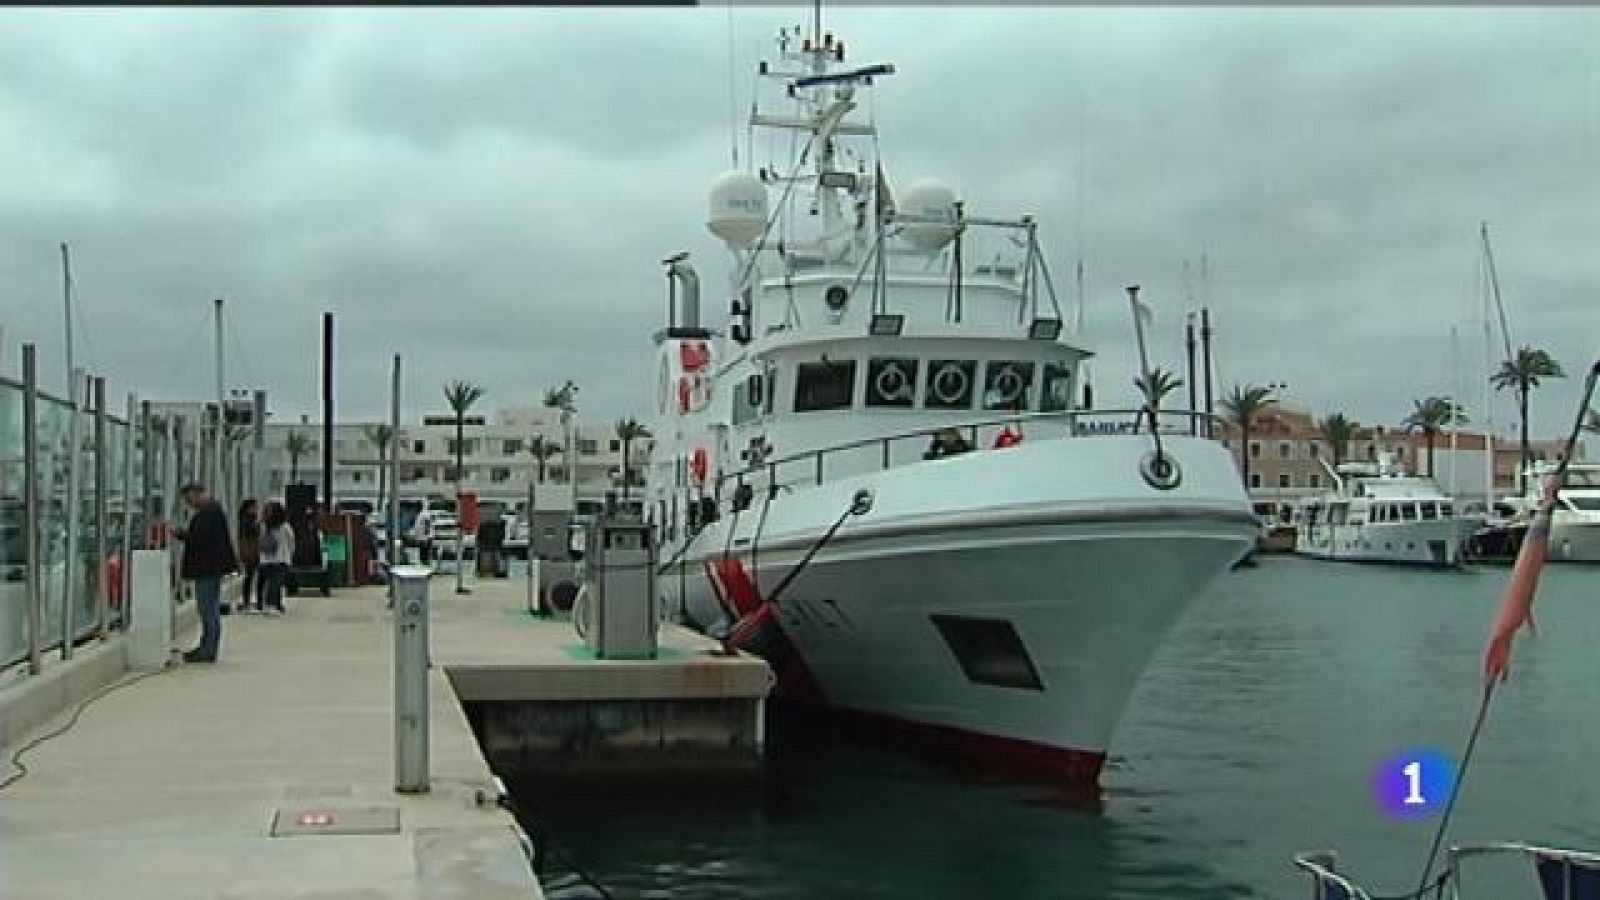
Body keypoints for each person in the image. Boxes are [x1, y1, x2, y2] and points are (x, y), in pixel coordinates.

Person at [173, 483, 238, 663]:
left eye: (189, 499)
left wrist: (182, 535)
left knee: (207, 609)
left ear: (197, 494)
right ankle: (208, 646)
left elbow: (199, 540)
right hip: (211, 568)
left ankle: (207, 649)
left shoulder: (209, 514)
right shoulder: (213, 512)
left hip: (206, 569)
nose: (189, 504)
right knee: (211, 609)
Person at [257, 501, 294, 615]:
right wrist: (290, 555)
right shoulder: (285, 527)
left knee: (270, 582)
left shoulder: (263, 526)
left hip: (265, 559)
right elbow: (291, 542)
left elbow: (260, 542)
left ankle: (274, 604)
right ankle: (272, 604)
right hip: (281, 558)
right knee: (276, 583)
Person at [236, 499, 261, 613]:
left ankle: (248, 601)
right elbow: (243, 538)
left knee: (250, 577)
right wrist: (245, 552)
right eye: (254, 507)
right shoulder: (247, 521)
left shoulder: (249, 520)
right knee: (250, 576)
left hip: (252, 551)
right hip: (251, 552)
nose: (256, 509)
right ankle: (247, 602)